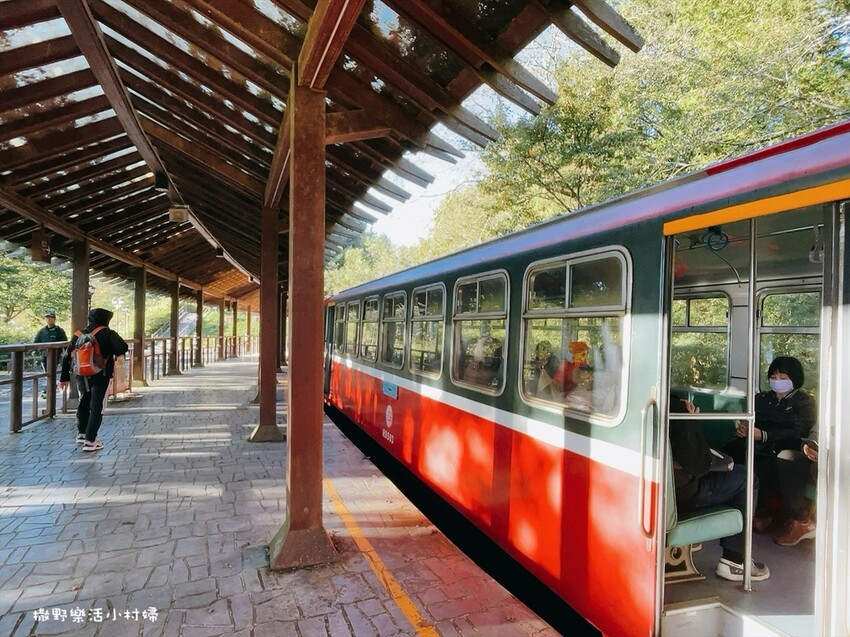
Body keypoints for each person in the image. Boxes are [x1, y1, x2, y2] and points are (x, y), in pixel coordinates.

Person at [670, 396, 770, 581]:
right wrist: (691, 421)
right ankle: (735, 560)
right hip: (683, 492)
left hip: (659, 490)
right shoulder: (674, 407)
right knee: (746, 478)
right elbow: (697, 464)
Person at [725, 356, 816, 531]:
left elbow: (799, 433)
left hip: (783, 447)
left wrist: (765, 436)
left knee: (764, 465)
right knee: (732, 451)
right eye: (774, 378)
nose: (777, 382)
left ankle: (765, 510)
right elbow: (751, 421)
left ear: (794, 379)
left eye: (783, 378)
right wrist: (744, 430)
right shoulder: (761, 398)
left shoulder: (804, 402)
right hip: (757, 444)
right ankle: (739, 508)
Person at [59, 308, 128, 452]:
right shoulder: (108, 333)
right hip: (101, 374)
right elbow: (122, 347)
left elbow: (66, 356)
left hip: (81, 374)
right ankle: (91, 440)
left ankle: (82, 433)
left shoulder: (79, 334)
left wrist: (64, 377)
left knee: (84, 400)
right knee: (97, 406)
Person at [774, 427, 818, 546]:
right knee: (787, 457)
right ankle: (804, 522)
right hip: (821, 460)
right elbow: (817, 429)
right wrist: (809, 446)